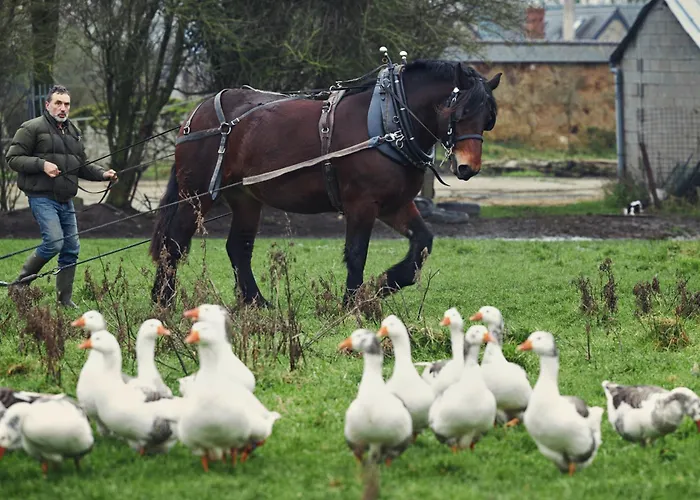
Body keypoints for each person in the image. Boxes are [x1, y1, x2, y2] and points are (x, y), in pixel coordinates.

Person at [6, 84, 117, 307]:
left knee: (71, 248)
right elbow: (12, 158)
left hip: (65, 199)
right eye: (58, 103)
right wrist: (42, 164)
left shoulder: (73, 133)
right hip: (41, 197)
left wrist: (104, 174)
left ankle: (64, 300)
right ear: (48, 105)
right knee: (54, 243)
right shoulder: (31, 128)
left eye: (66, 104)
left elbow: (82, 166)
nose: (63, 108)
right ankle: (19, 286)